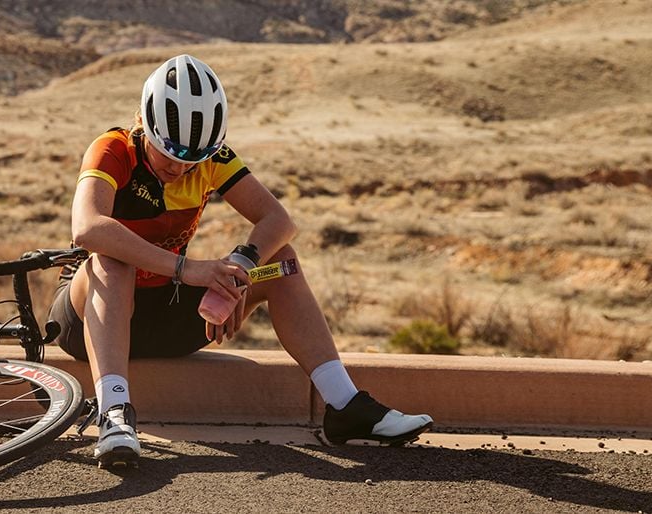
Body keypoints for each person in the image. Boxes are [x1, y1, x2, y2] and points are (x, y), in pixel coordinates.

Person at [48, 54, 433, 468]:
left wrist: (239, 270)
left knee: (280, 261)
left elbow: (279, 220)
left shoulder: (214, 158)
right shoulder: (114, 149)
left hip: (169, 311)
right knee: (112, 260)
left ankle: (345, 405)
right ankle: (114, 414)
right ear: (144, 124)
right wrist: (188, 268)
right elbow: (86, 228)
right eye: (168, 153)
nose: (180, 166)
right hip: (90, 316)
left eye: (192, 158)